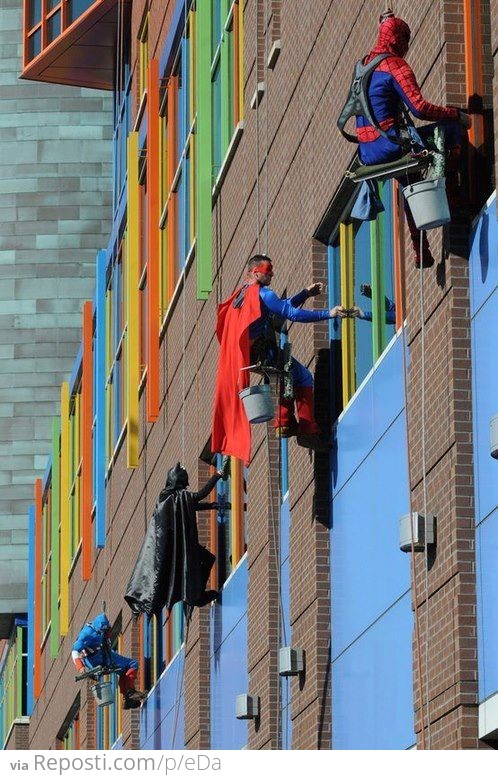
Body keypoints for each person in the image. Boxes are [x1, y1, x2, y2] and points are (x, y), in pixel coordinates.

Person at [341, 9, 472, 267]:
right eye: (406, 40)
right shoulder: (394, 65)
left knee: (407, 179)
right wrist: (455, 114)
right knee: (451, 131)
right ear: (398, 39)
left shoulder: (362, 66)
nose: (407, 47)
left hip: (368, 152)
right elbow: (419, 108)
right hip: (391, 144)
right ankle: (454, 195)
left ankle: (420, 250)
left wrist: (385, 21)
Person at [211, 255, 346, 461]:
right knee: (304, 377)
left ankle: (284, 422)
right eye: (268, 271)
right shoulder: (263, 293)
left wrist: (304, 294)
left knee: (287, 374)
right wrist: (329, 313)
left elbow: (280, 306)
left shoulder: (241, 295)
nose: (272, 274)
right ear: (256, 272)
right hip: (262, 352)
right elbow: (290, 314)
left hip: (247, 355)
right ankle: (307, 428)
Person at [124, 459, 229, 620]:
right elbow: (199, 495)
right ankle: (197, 595)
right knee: (208, 558)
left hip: (176, 549)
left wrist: (212, 506)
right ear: (180, 479)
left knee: (208, 559)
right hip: (182, 549)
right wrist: (218, 475)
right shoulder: (179, 497)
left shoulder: (165, 497)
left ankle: (197, 594)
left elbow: (188, 504)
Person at [72, 613, 147, 710]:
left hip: (104, 654)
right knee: (130, 664)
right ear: (99, 629)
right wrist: (80, 667)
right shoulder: (86, 634)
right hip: (95, 659)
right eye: (105, 631)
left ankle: (128, 696)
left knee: (129, 665)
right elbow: (74, 651)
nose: (108, 633)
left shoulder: (100, 629)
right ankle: (129, 694)